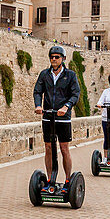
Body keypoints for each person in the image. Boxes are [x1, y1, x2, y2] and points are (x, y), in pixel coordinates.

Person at [33, 46, 81, 183]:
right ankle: (50, 179)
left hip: (63, 118)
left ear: (63, 59)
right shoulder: (44, 74)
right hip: (48, 116)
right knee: (48, 147)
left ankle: (67, 180)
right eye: (52, 57)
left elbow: (75, 94)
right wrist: (38, 105)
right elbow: (37, 91)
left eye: (57, 57)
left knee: (64, 148)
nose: (54, 59)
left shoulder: (70, 75)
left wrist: (66, 107)